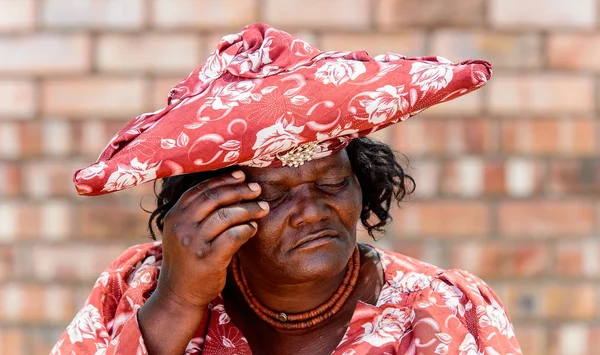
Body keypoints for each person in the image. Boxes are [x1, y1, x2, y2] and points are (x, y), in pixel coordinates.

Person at [52, 23, 522, 354]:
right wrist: (179, 301)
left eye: (333, 182)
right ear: (210, 207)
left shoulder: (441, 310)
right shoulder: (141, 286)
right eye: (276, 195)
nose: (313, 210)